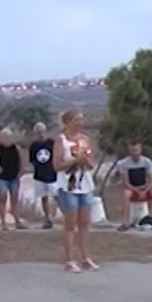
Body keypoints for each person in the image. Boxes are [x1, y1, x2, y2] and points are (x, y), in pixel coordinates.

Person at [53, 108, 98, 272]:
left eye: (81, 119)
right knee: (70, 223)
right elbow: (57, 165)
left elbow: (91, 163)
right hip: (68, 185)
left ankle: (86, 258)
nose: (80, 123)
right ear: (68, 122)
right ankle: (69, 260)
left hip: (85, 184)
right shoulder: (61, 140)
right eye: (76, 120)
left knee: (85, 222)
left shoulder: (85, 139)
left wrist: (85, 161)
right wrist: (73, 161)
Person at [115, 140, 152, 230]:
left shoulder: (147, 162)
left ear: (140, 150)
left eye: (137, 150)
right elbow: (125, 182)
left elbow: (151, 180)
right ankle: (125, 222)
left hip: (145, 187)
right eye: (132, 150)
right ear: (129, 151)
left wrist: (145, 190)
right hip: (132, 188)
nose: (135, 153)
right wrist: (137, 191)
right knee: (126, 194)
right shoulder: (123, 163)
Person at [0, 128, 26, 230]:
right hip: (2, 177)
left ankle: (17, 221)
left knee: (14, 199)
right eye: (4, 137)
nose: (6, 139)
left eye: (8, 137)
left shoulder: (16, 148)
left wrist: (21, 171)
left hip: (14, 176)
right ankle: (3, 222)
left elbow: (21, 160)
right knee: (2, 199)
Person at [28, 122, 58, 229]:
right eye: (38, 132)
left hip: (52, 174)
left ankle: (67, 215)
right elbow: (32, 160)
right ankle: (48, 219)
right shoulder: (33, 146)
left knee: (57, 196)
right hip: (39, 175)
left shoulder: (51, 143)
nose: (40, 134)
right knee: (43, 197)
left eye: (42, 131)